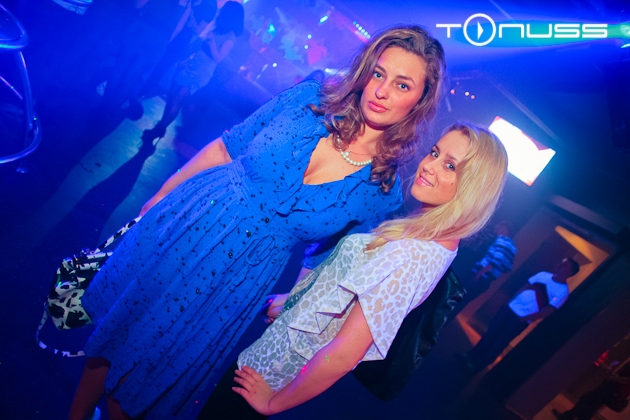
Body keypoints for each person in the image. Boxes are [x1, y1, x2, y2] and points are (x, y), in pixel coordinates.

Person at [68, 25, 446, 420]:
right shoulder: (307, 101)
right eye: (379, 73)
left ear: (419, 102)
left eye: (402, 85)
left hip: (237, 280)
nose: (382, 91)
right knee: (117, 335)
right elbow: (224, 148)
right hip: (190, 223)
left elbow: (327, 257)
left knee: (154, 371)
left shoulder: (380, 190)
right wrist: (160, 198)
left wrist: (291, 297)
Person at [197, 121, 509, 417]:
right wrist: (293, 304)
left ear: (472, 187)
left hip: (271, 372)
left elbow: (345, 355)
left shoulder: (414, 254)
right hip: (273, 355)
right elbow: (348, 299)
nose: (429, 165)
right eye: (435, 153)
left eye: (450, 166)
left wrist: (272, 404)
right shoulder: (432, 239)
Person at [141, 1, 245, 142]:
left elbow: (219, 58)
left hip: (202, 71)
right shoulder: (219, 28)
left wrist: (212, 42)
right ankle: (161, 127)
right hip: (194, 63)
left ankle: (158, 129)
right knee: (172, 95)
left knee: (177, 99)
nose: (221, 12)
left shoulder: (230, 37)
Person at [463, 257, 581, 374]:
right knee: (490, 333)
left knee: (499, 343)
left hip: (520, 319)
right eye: (561, 262)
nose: (560, 265)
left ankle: (477, 366)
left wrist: (526, 319)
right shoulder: (543, 275)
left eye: (564, 265)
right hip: (509, 308)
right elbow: (525, 286)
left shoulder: (563, 292)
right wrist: (510, 301)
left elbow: (548, 311)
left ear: (570, 272)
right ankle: (471, 356)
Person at [446, 220, 517, 323]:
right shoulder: (510, 246)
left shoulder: (502, 241)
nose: (496, 228)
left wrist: (480, 272)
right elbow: (508, 267)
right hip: (485, 280)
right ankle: (446, 320)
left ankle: (443, 319)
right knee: (463, 300)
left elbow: (495, 261)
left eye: (499, 226)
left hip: (480, 277)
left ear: (504, 229)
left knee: (457, 297)